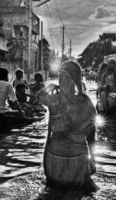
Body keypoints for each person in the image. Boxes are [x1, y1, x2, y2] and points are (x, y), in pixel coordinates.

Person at [37, 61, 98, 198]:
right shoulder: (85, 101)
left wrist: (50, 87)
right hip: (77, 158)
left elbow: (39, 97)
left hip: (54, 158)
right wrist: (93, 160)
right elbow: (92, 135)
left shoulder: (53, 98)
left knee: (53, 194)